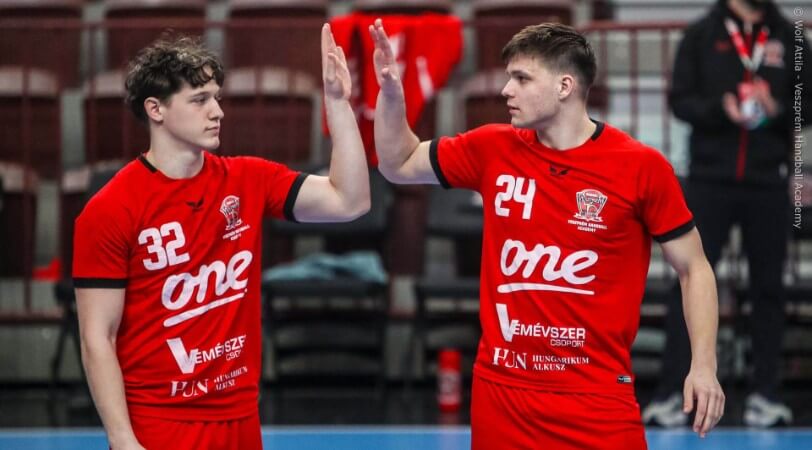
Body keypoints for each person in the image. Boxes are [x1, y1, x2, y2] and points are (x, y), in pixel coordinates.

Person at [370, 20, 724, 448]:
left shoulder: (641, 167)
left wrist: (704, 366)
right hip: (502, 397)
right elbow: (398, 163)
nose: (506, 90)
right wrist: (392, 96)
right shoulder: (491, 148)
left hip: (596, 400)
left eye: (522, 78)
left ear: (564, 86)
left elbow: (694, 269)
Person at [73, 27, 369, 450]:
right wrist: (122, 439)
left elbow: (350, 201)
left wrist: (339, 105)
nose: (217, 112)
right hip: (160, 423)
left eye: (216, 97)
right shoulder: (110, 209)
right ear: (155, 109)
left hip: (241, 417)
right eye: (199, 100)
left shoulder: (249, 178)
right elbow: (97, 338)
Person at [643, 0, 811, 428]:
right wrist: (721, 108)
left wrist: (777, 107)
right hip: (708, 179)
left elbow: (808, 105)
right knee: (688, 280)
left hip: (768, 180)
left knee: (769, 288)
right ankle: (672, 393)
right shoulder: (702, 34)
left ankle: (765, 394)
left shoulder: (791, 37)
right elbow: (680, 101)